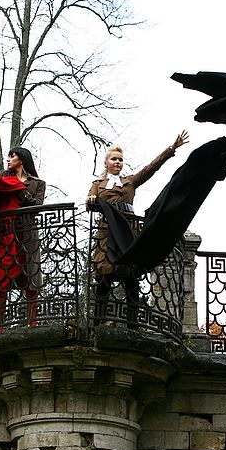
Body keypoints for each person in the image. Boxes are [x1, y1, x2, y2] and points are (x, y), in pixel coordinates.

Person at [86, 131, 189, 328]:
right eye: (114, 159)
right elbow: (89, 202)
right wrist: (91, 199)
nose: (118, 162)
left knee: (130, 277)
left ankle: (133, 326)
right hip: (107, 233)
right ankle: (96, 326)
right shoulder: (97, 185)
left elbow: (152, 168)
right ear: (106, 163)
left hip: (127, 230)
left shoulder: (130, 181)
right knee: (104, 278)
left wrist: (171, 149)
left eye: (121, 160)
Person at [0, 147, 46, 331]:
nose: (9, 159)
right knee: (1, 277)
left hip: (26, 233)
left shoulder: (38, 183)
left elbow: (37, 206)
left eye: (12, 156)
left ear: (22, 159)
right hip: (4, 233)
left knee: (31, 278)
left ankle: (32, 324)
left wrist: (20, 190)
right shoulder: (3, 177)